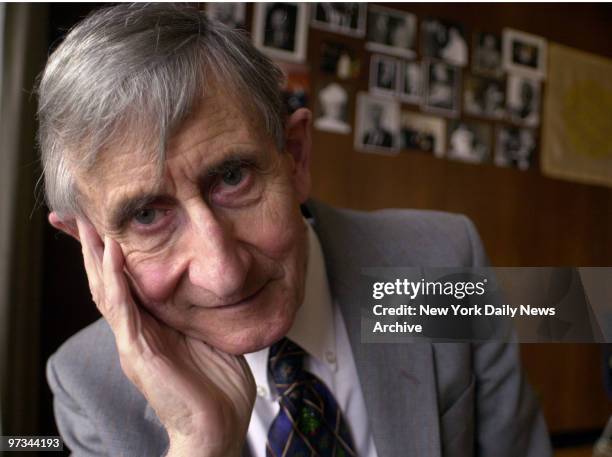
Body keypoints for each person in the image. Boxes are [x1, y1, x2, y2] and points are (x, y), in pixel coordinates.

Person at [38, 4, 552, 457]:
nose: (225, 274)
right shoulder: (86, 383)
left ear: (296, 157)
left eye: (233, 178)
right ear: (90, 244)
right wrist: (200, 444)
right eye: (147, 216)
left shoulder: (443, 261)